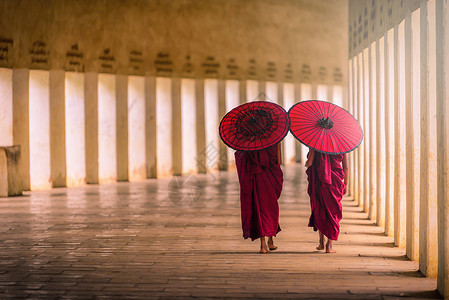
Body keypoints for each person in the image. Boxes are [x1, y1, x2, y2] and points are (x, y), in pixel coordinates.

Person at [234, 143, 283, 254]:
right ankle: (268, 241)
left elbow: (242, 157)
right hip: (270, 175)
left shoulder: (248, 140)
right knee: (270, 208)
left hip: (255, 176)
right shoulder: (275, 137)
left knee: (258, 206)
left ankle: (265, 243)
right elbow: (279, 161)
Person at [305, 149, 348, 253]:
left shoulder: (316, 144)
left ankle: (321, 242)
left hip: (320, 181)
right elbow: (345, 167)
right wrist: (346, 183)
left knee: (321, 209)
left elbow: (309, 163)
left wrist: (307, 162)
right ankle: (329, 245)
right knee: (333, 211)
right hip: (335, 181)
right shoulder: (342, 145)